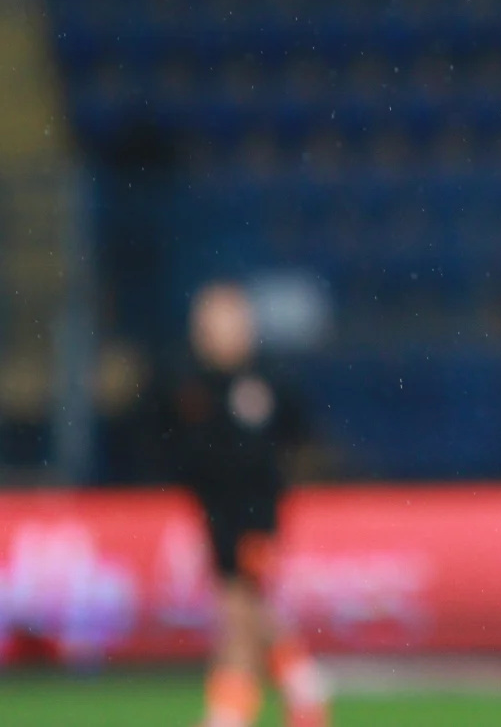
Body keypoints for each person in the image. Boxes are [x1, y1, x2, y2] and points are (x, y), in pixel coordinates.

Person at [147, 282, 330, 727]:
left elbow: (300, 440)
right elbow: (167, 443)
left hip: (256, 513)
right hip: (213, 513)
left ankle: (232, 713)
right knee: (249, 609)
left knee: (239, 607)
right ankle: (302, 689)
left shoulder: (267, 382)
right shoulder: (186, 384)